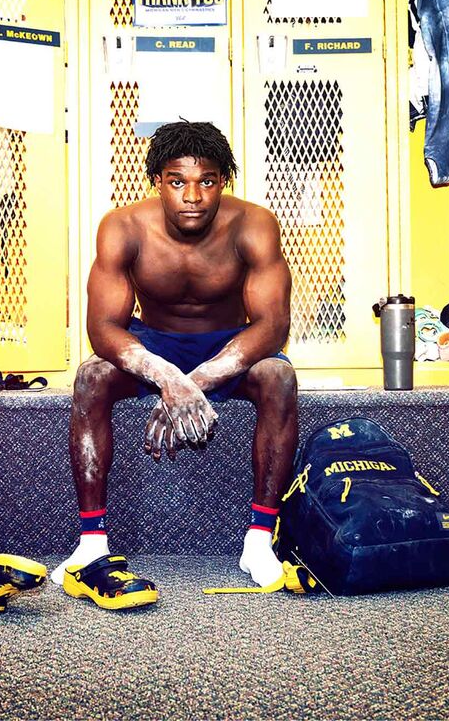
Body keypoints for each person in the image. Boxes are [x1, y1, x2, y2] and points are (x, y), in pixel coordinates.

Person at [53, 121, 298, 610]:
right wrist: (165, 376)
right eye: (177, 181)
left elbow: (272, 326)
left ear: (223, 181)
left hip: (227, 343)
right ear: (157, 181)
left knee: (279, 376)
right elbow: (102, 327)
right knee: (90, 376)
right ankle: (92, 543)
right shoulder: (123, 227)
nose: (192, 196)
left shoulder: (254, 225)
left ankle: (258, 540)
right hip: (155, 343)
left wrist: (198, 380)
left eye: (207, 181)